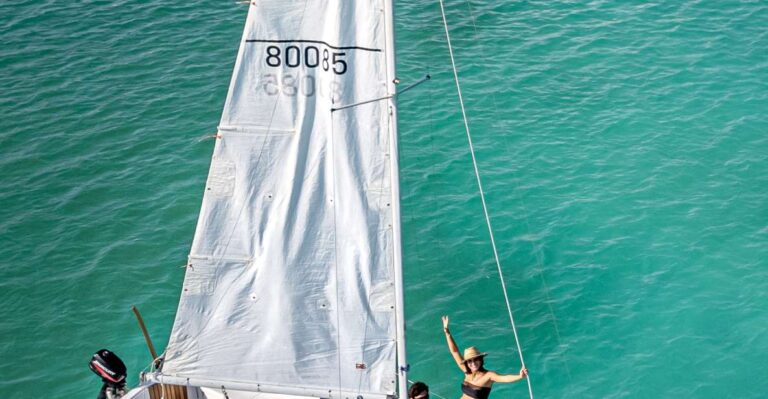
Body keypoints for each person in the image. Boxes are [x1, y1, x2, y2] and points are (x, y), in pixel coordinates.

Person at [442, 316, 527, 399]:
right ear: (467, 363)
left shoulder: (488, 376)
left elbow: (504, 378)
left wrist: (520, 376)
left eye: (476, 359)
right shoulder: (466, 371)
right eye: (469, 361)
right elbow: (455, 352)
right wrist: (447, 333)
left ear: (481, 359)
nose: (473, 363)